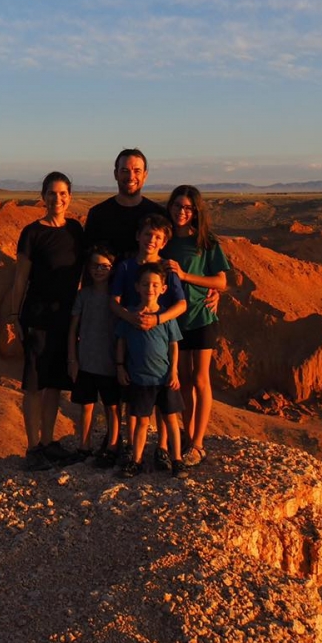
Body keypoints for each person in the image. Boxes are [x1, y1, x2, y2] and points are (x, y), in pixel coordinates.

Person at [5, 172, 85, 470]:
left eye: (63, 193)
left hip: (65, 317)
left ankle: (49, 442)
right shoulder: (32, 233)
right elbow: (20, 278)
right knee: (35, 383)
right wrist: (14, 315)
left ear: (70, 197)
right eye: (52, 193)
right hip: (37, 317)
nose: (58, 199)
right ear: (43, 196)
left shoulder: (76, 230)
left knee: (54, 383)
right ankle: (32, 447)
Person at [109, 213, 186, 467]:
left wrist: (158, 320)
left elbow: (181, 304)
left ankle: (163, 449)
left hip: (160, 337)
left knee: (165, 409)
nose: (151, 240)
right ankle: (134, 450)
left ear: (163, 242)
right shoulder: (126, 266)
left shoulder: (168, 269)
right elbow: (114, 301)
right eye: (147, 235)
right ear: (138, 236)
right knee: (137, 401)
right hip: (134, 338)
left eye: (157, 237)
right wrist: (130, 319)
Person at [161, 185, 230, 467]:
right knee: (183, 381)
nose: (182, 211)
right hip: (174, 319)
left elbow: (221, 282)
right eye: (178, 205)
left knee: (201, 380)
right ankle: (188, 437)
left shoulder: (206, 242)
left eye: (188, 207)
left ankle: (198, 443)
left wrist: (187, 275)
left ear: (196, 211)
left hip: (201, 317)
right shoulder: (164, 240)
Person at [67, 245, 121, 467]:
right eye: (95, 266)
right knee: (86, 405)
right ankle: (84, 445)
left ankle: (113, 446)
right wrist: (72, 359)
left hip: (109, 362)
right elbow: (73, 329)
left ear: (112, 268)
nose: (99, 270)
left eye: (104, 266)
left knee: (113, 406)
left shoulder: (117, 296)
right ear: (88, 269)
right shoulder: (84, 295)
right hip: (86, 361)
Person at [84, 148, 167, 259]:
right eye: (125, 170)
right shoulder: (98, 214)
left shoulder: (159, 215)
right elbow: (89, 259)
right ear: (115, 174)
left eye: (137, 171)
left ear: (145, 175)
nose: (131, 177)